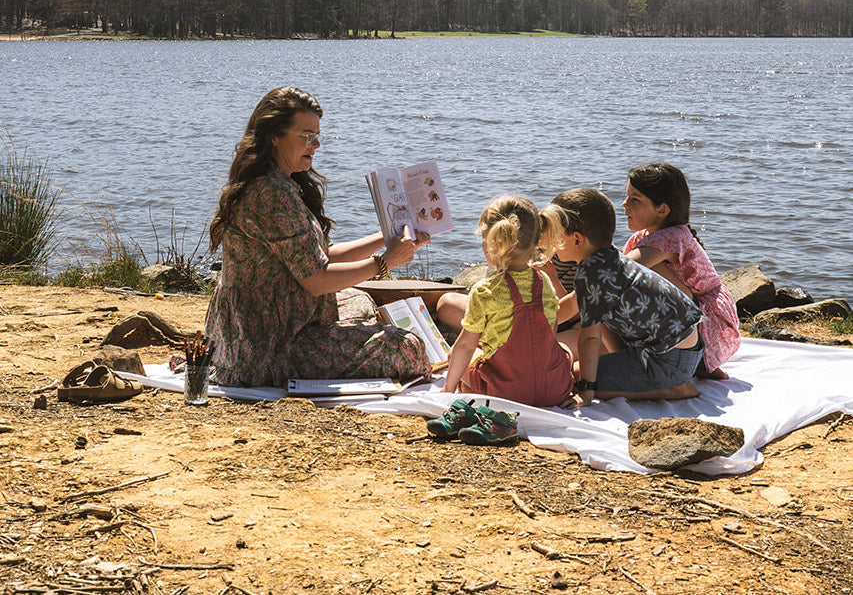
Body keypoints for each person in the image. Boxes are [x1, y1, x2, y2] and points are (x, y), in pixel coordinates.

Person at [205, 87, 432, 387]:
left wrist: (386, 238)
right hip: (269, 343)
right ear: (274, 135)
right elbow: (315, 280)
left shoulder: (277, 183)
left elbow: (321, 254)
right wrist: (384, 263)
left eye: (317, 135)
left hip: (259, 324)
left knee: (360, 301)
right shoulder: (272, 194)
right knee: (408, 348)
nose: (317, 144)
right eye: (307, 135)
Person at [549, 187, 704, 406]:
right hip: (686, 348)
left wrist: (587, 390)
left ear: (576, 240)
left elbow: (590, 338)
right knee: (596, 313)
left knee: (573, 374)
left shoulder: (592, 274)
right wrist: (537, 321)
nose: (553, 246)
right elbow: (574, 303)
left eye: (556, 237)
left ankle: (672, 390)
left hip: (669, 361)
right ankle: (633, 370)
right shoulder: (608, 258)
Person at [439, 195, 575, 408]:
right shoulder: (544, 281)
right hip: (552, 390)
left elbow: (466, 345)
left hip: (505, 392)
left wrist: (447, 389)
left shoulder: (485, 290)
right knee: (562, 349)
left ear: (491, 243)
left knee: (456, 354)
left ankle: (464, 389)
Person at [621, 163, 740, 379]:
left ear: (663, 209)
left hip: (708, 324)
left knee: (640, 270)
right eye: (627, 196)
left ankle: (700, 360)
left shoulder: (671, 237)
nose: (624, 204)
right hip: (696, 316)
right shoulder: (645, 237)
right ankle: (703, 366)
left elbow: (619, 271)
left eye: (634, 199)